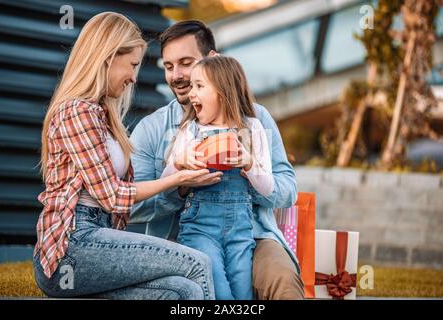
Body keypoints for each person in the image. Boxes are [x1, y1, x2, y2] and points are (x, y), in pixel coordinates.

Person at [33, 12, 215, 300]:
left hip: (99, 235)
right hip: (72, 248)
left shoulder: (103, 116)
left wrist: (175, 169)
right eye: (131, 65)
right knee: (197, 262)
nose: (133, 77)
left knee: (183, 291)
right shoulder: (76, 112)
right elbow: (111, 197)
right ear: (108, 57)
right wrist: (176, 179)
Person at [130, 20, 304, 299]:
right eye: (169, 66)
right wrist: (181, 186)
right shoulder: (152, 129)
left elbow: (288, 190)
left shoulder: (256, 120)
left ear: (213, 62)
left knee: (281, 280)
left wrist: (250, 172)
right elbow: (130, 208)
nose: (177, 76)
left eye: (186, 63)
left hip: (252, 235)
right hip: (179, 239)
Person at [160, 55, 273, 299]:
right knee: (219, 292)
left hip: (241, 232)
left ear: (222, 91)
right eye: (192, 86)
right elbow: (165, 184)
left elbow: (267, 188)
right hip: (200, 228)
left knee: (243, 294)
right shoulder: (191, 131)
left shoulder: (251, 128)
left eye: (199, 86)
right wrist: (180, 163)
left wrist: (249, 163)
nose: (191, 94)